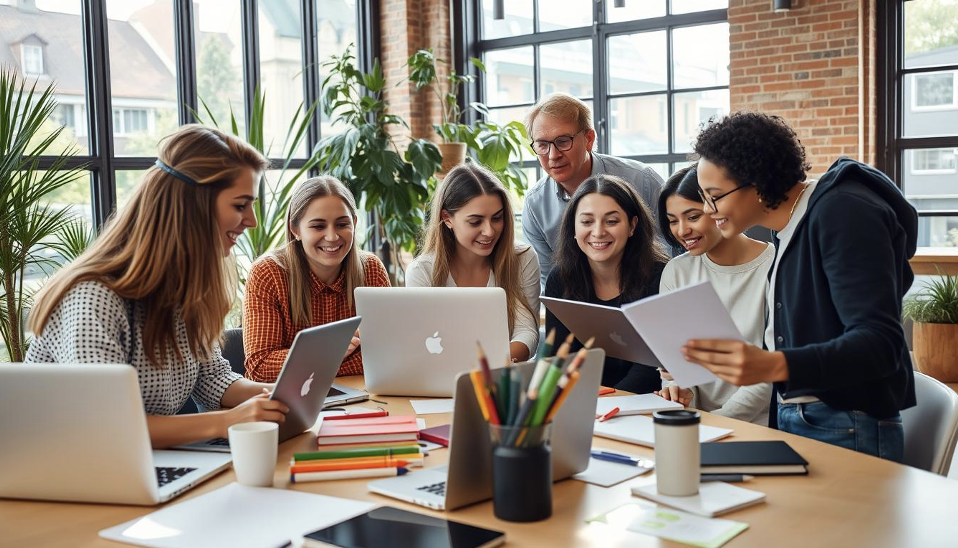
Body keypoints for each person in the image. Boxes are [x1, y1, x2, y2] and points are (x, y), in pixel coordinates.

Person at [26, 124, 289, 449]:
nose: (252, 221)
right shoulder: (93, 296)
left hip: (144, 465)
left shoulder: (185, 288)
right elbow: (110, 426)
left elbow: (213, 380)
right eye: (239, 205)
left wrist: (277, 397)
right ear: (194, 206)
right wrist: (229, 421)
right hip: (72, 474)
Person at [682, 111, 917, 461]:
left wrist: (773, 365)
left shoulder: (842, 212)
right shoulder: (788, 226)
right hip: (804, 417)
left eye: (714, 196)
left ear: (757, 183)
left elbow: (879, 344)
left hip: (846, 424)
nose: (708, 209)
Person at [653, 166, 774, 425]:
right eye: (673, 220)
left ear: (718, 208)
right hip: (695, 422)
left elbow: (770, 372)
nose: (682, 230)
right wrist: (681, 394)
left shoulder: (774, 265)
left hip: (761, 426)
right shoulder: (677, 271)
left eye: (692, 216)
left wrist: (716, 421)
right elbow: (675, 362)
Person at [243, 176, 389, 382]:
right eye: (318, 226)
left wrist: (311, 362)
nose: (332, 236)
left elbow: (390, 355)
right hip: (294, 404)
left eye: (342, 224)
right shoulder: (268, 273)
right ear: (295, 229)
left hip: (362, 398)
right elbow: (260, 368)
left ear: (354, 223)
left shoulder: (371, 269)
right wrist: (328, 352)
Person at [522, 92, 674, 287]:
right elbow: (548, 279)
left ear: (589, 139)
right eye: (542, 145)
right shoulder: (536, 206)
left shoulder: (642, 180)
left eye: (563, 141)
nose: (553, 155)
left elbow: (675, 254)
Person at [545, 174, 668, 393]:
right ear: (573, 227)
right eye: (587, 221)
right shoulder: (560, 279)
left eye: (611, 221)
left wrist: (602, 404)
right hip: (582, 402)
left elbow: (650, 369)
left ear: (632, 226)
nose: (598, 231)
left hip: (640, 405)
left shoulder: (661, 277)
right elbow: (559, 359)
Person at [406, 162, 539, 362]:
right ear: (447, 219)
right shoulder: (422, 271)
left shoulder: (522, 258)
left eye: (497, 218)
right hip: (442, 380)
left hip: (499, 379)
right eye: (475, 221)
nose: (489, 231)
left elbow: (527, 332)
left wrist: (486, 366)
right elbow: (422, 344)